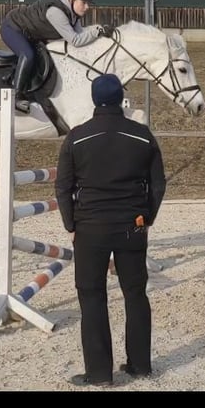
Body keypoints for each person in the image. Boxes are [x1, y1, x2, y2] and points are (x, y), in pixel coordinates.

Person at [55, 73, 167, 387]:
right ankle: (141, 365)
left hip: (90, 227)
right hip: (132, 225)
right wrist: (147, 218)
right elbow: (158, 184)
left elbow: (63, 186)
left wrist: (70, 225)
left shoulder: (77, 137)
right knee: (135, 293)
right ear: (121, 99)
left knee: (92, 297)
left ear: (94, 100)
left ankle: (99, 373)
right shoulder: (142, 136)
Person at [0, 0, 115, 113]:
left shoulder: (72, 13)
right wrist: (97, 32)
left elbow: (80, 33)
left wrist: (99, 30)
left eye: (88, 3)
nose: (87, 7)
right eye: (84, 2)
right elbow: (75, 40)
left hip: (31, 34)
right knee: (28, 55)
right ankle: (17, 96)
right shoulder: (55, 11)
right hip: (12, 28)